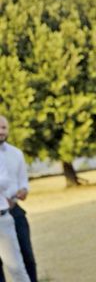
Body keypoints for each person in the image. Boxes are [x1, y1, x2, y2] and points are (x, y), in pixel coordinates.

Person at [0, 116, 35, 282]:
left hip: (11, 211)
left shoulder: (15, 153)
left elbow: (17, 180)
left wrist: (23, 190)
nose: (1, 131)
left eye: (4, 127)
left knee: (22, 260)